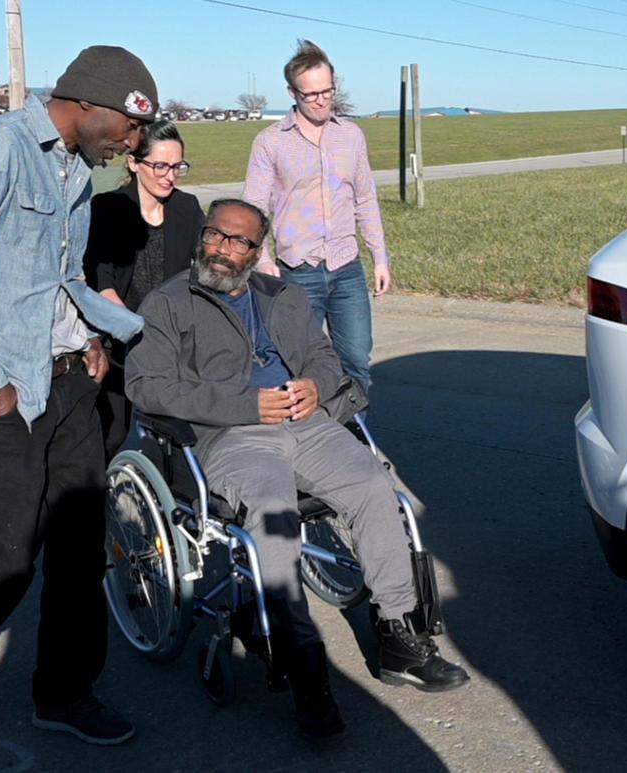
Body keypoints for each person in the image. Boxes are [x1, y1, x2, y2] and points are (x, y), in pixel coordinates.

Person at [125, 199, 468, 740]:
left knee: (376, 489)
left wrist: (314, 385)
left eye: (239, 243)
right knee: (275, 513)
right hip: (232, 437)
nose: (223, 250)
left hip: (306, 425)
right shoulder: (167, 304)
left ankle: (401, 635)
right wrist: (244, 405)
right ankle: (303, 662)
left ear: (256, 252)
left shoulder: (282, 296)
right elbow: (146, 387)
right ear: (203, 236)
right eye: (216, 236)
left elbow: (324, 358)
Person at [0, 45, 159, 745]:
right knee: (12, 547)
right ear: (86, 105)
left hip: (69, 377)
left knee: (82, 548)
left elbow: (60, 273)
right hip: (1, 389)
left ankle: (65, 690)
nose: (132, 143)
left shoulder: (75, 168)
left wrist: (94, 332)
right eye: (128, 127)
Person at [243, 39, 389, 397]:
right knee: (302, 366)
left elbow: (366, 198)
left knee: (356, 361)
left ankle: (353, 441)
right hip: (297, 272)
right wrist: (262, 260)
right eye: (312, 95)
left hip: (346, 268)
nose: (323, 100)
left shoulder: (351, 136)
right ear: (292, 93)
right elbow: (254, 208)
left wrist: (380, 257)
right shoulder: (270, 142)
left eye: (328, 91)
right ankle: (315, 442)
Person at [84, 119, 204, 458]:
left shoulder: (187, 208)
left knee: (179, 435)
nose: (170, 175)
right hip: (119, 342)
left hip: (173, 343)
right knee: (111, 434)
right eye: (160, 165)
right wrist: (136, 333)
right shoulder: (107, 209)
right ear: (134, 163)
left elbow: (204, 272)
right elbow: (100, 280)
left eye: (178, 166)